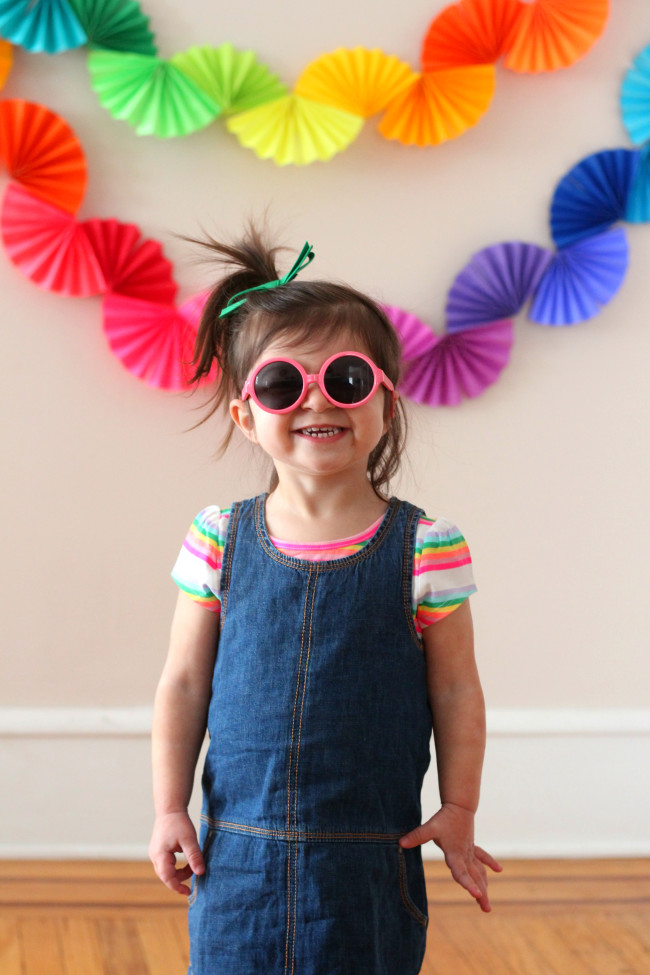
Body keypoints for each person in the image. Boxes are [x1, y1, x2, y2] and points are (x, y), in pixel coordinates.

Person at [149, 227, 502, 975]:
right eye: (282, 383)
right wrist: (170, 806)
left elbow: (456, 685)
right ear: (247, 413)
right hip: (236, 859)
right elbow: (183, 682)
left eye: (345, 378)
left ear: (384, 399)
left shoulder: (426, 546)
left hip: (369, 865)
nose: (316, 399)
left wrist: (459, 804)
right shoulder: (219, 537)